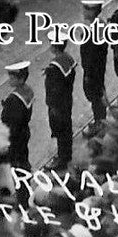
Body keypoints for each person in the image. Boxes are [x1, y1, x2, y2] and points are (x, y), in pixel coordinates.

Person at [44, 41, 77, 169]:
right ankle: (66, 155)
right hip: (67, 100)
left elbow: (54, 89)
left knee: (61, 130)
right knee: (66, 128)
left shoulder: (55, 67)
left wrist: (52, 106)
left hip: (58, 104)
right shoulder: (67, 58)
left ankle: (62, 159)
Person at [79, 0, 108, 125]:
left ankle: (100, 122)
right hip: (97, 68)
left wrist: (88, 74)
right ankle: (100, 119)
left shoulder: (93, 30)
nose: (84, 11)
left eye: (86, 9)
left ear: (92, 11)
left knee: (95, 95)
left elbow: (92, 55)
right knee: (97, 93)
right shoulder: (99, 24)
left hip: (93, 69)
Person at [1, 60, 33, 170]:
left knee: (15, 161)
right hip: (24, 131)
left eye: (12, 78)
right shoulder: (28, 90)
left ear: (20, 79)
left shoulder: (14, 98)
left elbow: (11, 120)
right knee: (23, 156)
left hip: (15, 135)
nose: (10, 80)